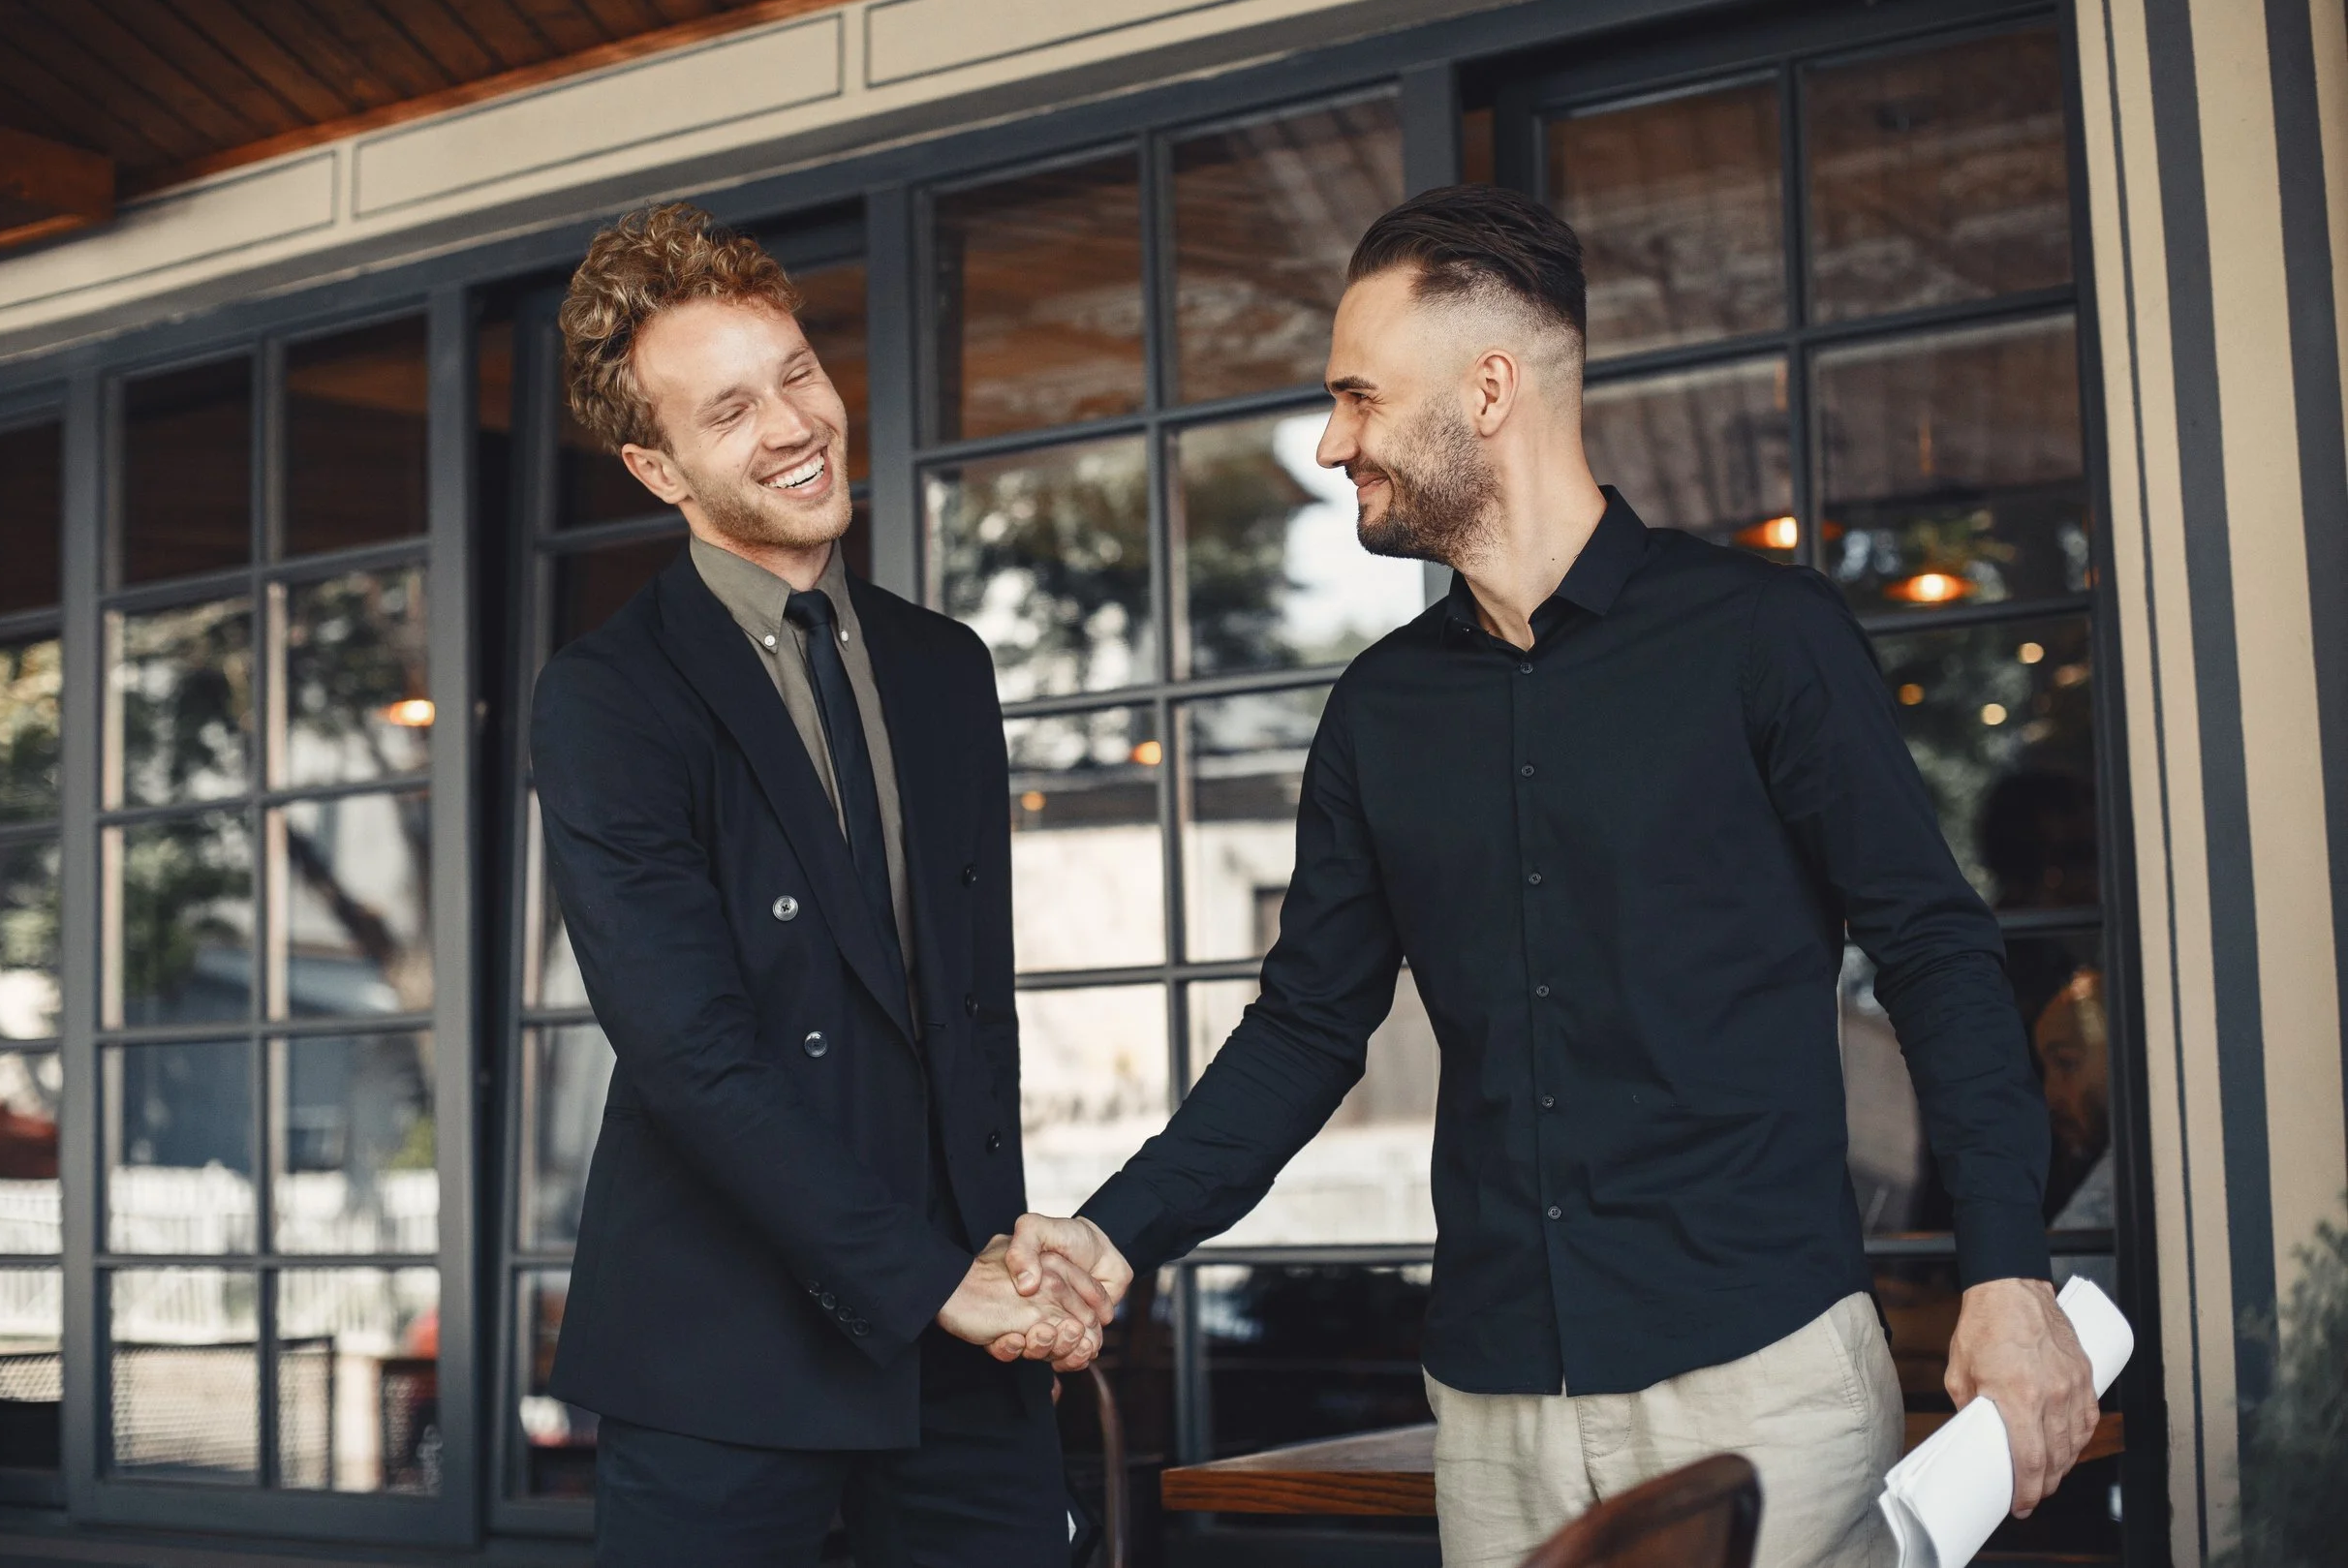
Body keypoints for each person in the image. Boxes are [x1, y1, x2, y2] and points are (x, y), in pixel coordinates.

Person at [1001, 186, 2100, 1567]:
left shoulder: (1763, 640)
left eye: (1355, 395)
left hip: (1765, 1381)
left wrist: (2006, 1269)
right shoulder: (1378, 715)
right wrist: (1111, 1238)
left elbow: (1937, 947)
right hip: (1496, 1413)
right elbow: (1302, 1029)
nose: (1332, 440)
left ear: (1490, 387)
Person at [530, 203, 1106, 1568]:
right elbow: (691, 1056)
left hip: (961, 1348)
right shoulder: (607, 699)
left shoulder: (945, 665)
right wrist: (938, 1283)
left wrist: (1010, 1270)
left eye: (796, 371)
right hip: (724, 1354)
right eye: (730, 409)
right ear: (657, 468)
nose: (794, 423)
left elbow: (970, 1016)